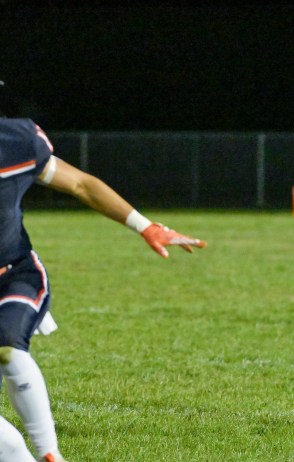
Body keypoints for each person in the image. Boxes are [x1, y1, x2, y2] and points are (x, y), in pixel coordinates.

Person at [0, 81, 206, 462]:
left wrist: (146, 226)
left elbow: (80, 184)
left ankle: (50, 455)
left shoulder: (16, 141)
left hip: (14, 274)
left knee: (7, 346)